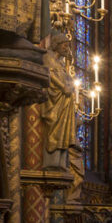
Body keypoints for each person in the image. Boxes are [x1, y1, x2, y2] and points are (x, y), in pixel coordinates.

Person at [41, 32, 79, 170]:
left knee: (64, 133)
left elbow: (67, 79)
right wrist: (63, 87)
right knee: (54, 130)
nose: (66, 48)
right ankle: (53, 162)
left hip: (65, 101)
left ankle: (61, 162)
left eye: (68, 46)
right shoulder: (48, 57)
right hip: (55, 100)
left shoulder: (62, 64)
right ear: (56, 45)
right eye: (64, 45)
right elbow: (49, 73)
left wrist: (68, 85)